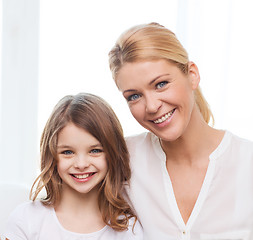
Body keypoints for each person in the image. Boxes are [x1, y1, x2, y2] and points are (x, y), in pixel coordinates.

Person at [108, 22, 253, 239]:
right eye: (134, 96)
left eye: (160, 84)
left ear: (192, 75)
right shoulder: (122, 160)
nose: (152, 106)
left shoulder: (246, 163)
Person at [4, 93, 143, 240]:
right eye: (68, 152)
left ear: (112, 153)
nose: (81, 164)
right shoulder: (26, 220)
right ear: (51, 156)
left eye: (95, 150)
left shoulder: (129, 229)